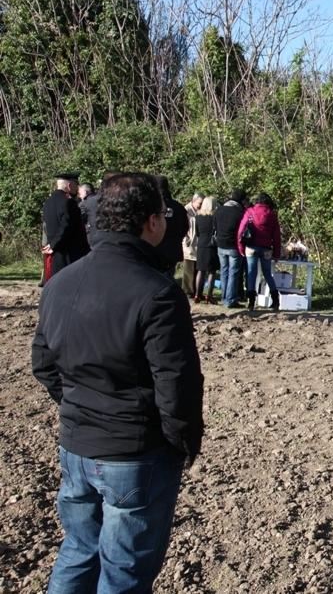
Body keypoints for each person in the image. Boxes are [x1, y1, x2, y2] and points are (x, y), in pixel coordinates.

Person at [31, 172, 204, 592]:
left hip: (76, 444)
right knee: (123, 571)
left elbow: (43, 363)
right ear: (152, 221)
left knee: (78, 549)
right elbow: (176, 384)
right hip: (133, 452)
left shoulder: (59, 284)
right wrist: (183, 442)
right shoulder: (158, 293)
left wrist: (79, 404)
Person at [42, 173, 90, 283]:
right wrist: (54, 244)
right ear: (69, 186)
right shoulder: (68, 202)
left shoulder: (48, 203)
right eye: (76, 184)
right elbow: (66, 226)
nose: (77, 188)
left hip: (56, 254)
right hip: (70, 253)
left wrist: (52, 244)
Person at [238, 193, 282, 311]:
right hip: (266, 248)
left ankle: (251, 302)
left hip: (251, 247)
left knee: (251, 274)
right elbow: (277, 237)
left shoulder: (250, 212)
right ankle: (275, 300)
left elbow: (241, 230)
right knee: (267, 274)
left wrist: (241, 247)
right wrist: (277, 253)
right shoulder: (272, 215)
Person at [214, 189, 247, 308]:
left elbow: (215, 225)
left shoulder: (220, 209)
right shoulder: (240, 212)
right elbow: (243, 230)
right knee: (233, 273)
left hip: (221, 244)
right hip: (233, 245)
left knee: (224, 271)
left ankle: (224, 297)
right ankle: (230, 299)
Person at [153, 175, 188, 280]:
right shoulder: (178, 207)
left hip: (155, 249)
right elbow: (185, 227)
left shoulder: (152, 206)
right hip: (172, 250)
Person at [193, 196, 220, 304]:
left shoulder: (197, 217)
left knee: (200, 270)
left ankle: (197, 295)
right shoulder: (215, 217)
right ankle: (209, 295)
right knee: (212, 272)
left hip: (201, 245)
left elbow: (197, 232)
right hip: (212, 245)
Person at [181, 193, 203, 298]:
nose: (201, 205)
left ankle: (196, 291)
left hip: (198, 243)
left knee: (197, 269)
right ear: (194, 201)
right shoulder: (186, 210)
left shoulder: (201, 211)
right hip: (189, 242)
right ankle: (187, 290)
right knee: (188, 269)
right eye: (199, 203)